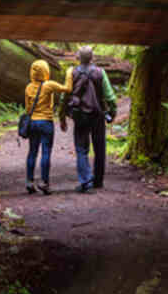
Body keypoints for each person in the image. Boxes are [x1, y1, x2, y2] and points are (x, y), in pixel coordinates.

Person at [59, 45, 118, 192]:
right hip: (98, 115)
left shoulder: (72, 73)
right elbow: (110, 96)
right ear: (92, 58)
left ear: (78, 58)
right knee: (99, 148)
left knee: (81, 148)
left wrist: (62, 116)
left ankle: (85, 181)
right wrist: (113, 111)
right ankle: (98, 181)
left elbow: (64, 95)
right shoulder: (100, 72)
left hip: (80, 115)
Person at [23, 59, 73, 195]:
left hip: (33, 123)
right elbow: (68, 89)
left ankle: (29, 181)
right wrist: (69, 73)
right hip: (46, 123)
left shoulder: (28, 87)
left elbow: (28, 109)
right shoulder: (49, 85)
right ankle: (44, 183)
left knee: (32, 152)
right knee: (45, 152)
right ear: (46, 71)